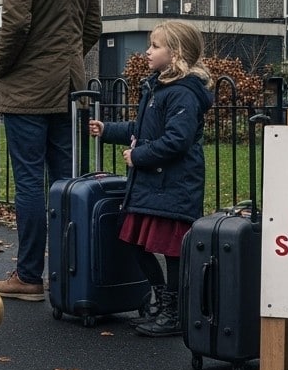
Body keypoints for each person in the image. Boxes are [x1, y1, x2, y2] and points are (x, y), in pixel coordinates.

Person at [0, 0, 101, 300]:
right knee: (67, 181)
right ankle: (72, 272)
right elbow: (92, 27)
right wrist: (67, 57)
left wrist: (1, 66)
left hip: (28, 89)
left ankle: (29, 275)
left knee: (30, 181)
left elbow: (16, 23)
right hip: (68, 85)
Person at [89, 21, 213, 336]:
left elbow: (176, 140)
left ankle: (173, 312)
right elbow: (141, 129)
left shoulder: (183, 93)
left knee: (171, 251)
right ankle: (161, 299)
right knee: (132, 240)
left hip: (173, 185)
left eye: (155, 46)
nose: (147, 51)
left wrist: (138, 156)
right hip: (151, 186)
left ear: (176, 53)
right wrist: (107, 131)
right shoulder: (157, 87)